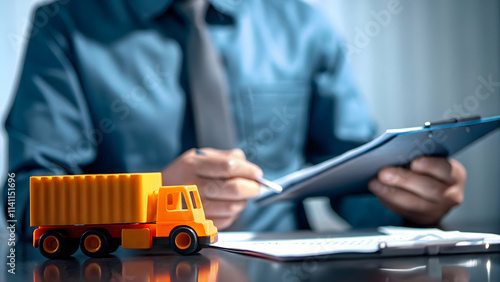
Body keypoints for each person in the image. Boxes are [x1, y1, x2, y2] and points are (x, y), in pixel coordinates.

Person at [4, 0, 466, 238]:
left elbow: (353, 178)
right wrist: (147, 201)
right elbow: (23, 202)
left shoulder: (302, 25)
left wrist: (410, 201)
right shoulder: (64, 26)